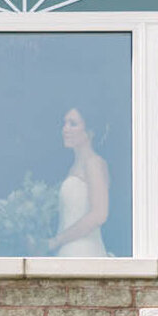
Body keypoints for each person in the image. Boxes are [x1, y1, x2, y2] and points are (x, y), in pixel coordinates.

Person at [47, 106, 110, 258]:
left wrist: (57, 241)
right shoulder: (74, 166)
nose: (65, 129)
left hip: (84, 252)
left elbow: (99, 214)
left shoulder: (93, 163)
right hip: (68, 251)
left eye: (73, 124)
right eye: (64, 123)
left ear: (90, 132)